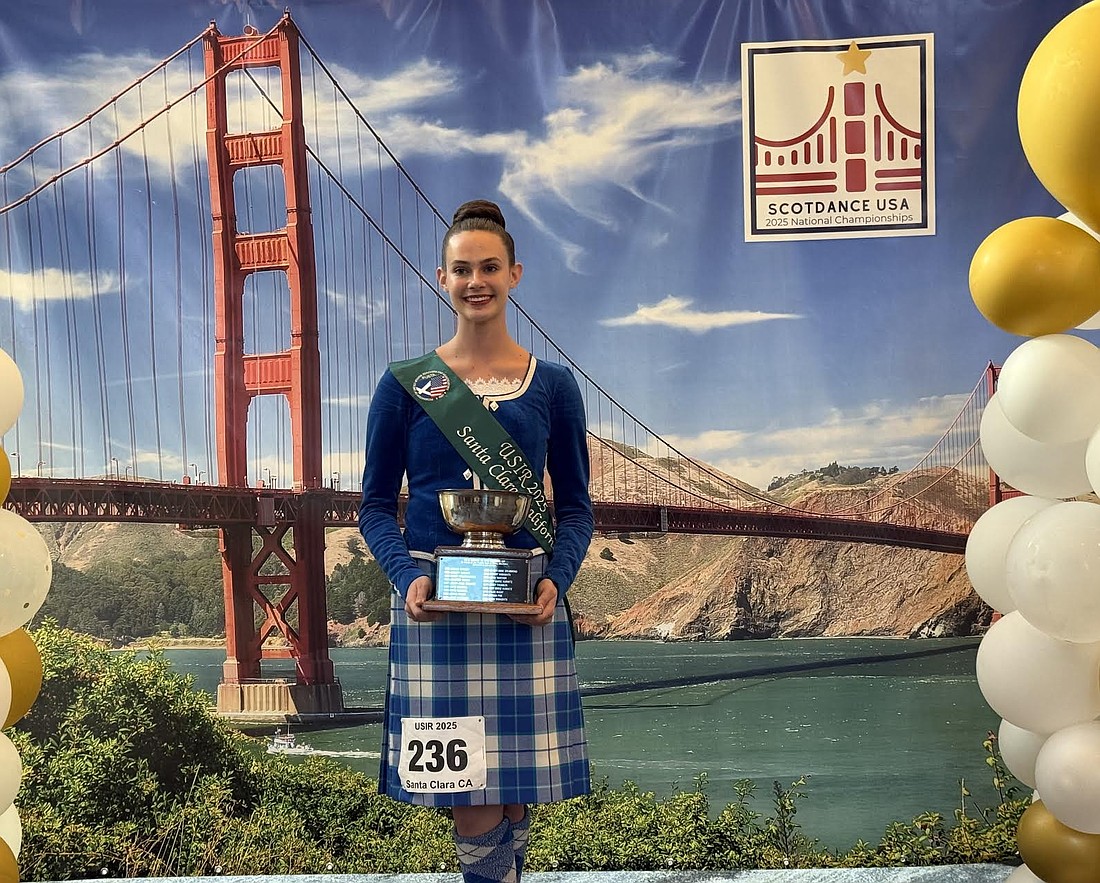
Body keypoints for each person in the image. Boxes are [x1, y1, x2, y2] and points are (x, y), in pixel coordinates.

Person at [359, 199, 595, 883]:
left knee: (512, 792)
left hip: (526, 604)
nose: (476, 280)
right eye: (462, 268)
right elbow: (374, 506)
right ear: (442, 277)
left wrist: (560, 578)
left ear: (514, 273)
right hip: (438, 610)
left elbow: (576, 508)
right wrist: (408, 577)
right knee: (468, 794)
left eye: (489, 266)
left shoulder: (553, 386)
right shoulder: (406, 385)